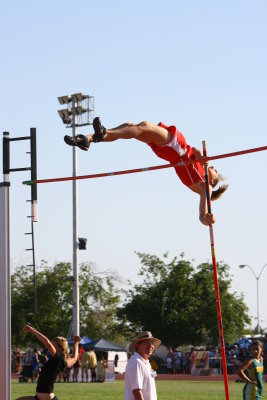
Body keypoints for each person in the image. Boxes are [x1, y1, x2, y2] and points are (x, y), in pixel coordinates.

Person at [64, 118, 228, 226]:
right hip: (172, 150)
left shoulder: (205, 187)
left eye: (215, 171)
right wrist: (200, 156)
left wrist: (207, 219)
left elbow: (202, 215)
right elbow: (196, 149)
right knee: (130, 126)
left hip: (175, 148)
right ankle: (88, 139)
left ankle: (102, 133)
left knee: (144, 126)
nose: (213, 168)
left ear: (212, 181)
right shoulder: (202, 164)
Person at [16, 324, 81, 400]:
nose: (51, 347)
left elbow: (46, 342)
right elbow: (74, 358)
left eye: (53, 345)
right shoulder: (62, 361)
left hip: (46, 397)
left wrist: (32, 330)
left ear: (60, 349)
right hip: (42, 397)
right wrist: (76, 343)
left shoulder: (57, 358)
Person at [125, 331, 161, 400]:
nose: (150, 345)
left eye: (152, 343)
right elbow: (137, 391)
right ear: (137, 345)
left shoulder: (145, 362)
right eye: (146, 342)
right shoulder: (137, 363)